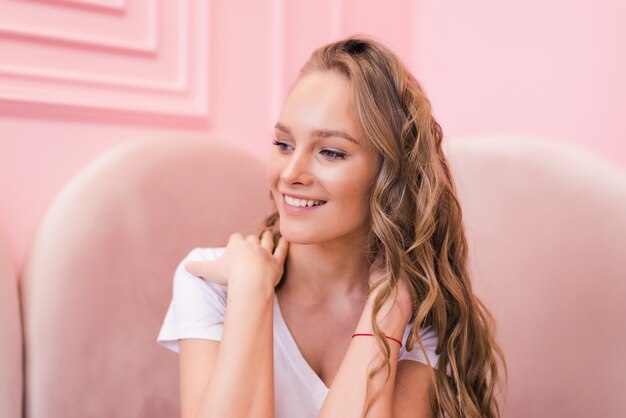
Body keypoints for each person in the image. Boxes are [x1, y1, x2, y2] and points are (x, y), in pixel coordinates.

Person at [157, 35, 506, 418]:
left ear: (390, 174)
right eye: (284, 144)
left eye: (330, 152)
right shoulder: (210, 280)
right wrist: (250, 292)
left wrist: (388, 308)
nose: (290, 174)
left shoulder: (413, 314)